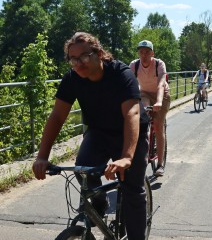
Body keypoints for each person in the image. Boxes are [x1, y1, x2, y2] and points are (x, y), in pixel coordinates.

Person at [32, 32, 149, 240]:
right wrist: (42, 156)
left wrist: (127, 157)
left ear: (100, 54)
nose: (78, 63)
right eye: (73, 59)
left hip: (130, 132)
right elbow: (58, 116)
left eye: (84, 56)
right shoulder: (72, 78)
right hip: (99, 132)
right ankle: (99, 202)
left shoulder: (121, 74)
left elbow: (131, 113)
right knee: (83, 169)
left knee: (132, 190)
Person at [129, 40, 170, 177]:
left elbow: (160, 85)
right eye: (141, 52)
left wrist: (158, 102)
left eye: (147, 52)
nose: (144, 55)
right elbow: (130, 85)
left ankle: (160, 164)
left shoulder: (159, 64)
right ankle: (142, 154)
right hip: (144, 93)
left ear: (152, 53)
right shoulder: (134, 65)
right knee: (142, 120)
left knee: (158, 126)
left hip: (162, 95)